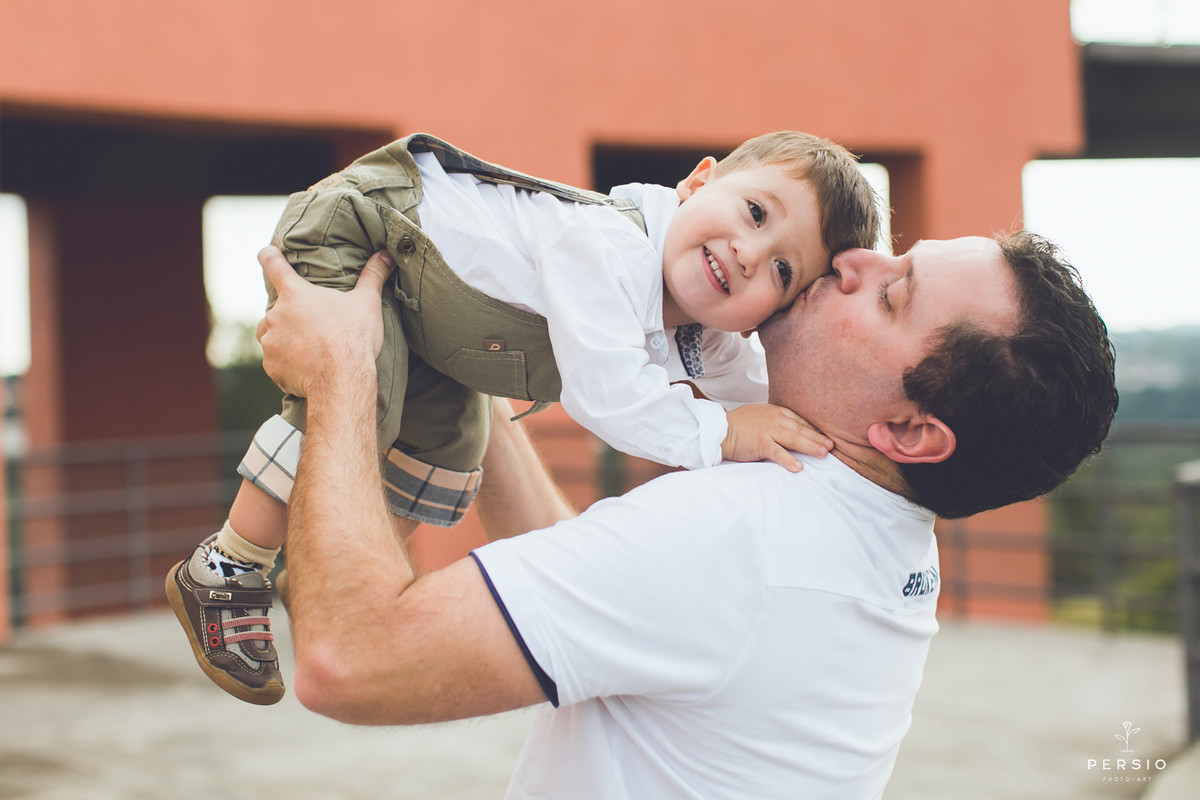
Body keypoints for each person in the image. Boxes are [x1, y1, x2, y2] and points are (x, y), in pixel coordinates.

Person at [254, 229, 1117, 799]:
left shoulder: (746, 532)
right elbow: (596, 591)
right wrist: (468, 367)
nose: (855, 260)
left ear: (909, 430)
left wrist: (340, 371)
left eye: (892, 295)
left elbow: (350, 661)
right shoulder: (866, 531)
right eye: (897, 257)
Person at [166, 131, 881, 705]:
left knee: (453, 451)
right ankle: (229, 563)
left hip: (433, 325)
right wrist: (725, 433)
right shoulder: (607, 246)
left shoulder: (708, 336)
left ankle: (340, 572)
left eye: (784, 271)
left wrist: (814, 422)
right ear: (699, 182)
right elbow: (613, 395)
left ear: (774, 313)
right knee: (354, 407)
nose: (750, 254)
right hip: (371, 230)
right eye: (755, 214)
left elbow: (768, 401)